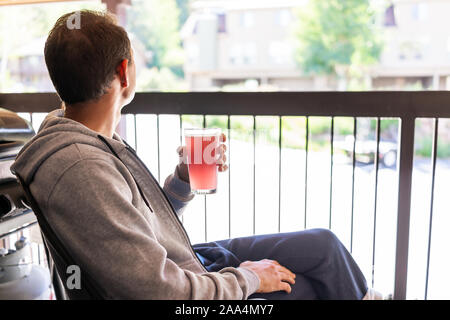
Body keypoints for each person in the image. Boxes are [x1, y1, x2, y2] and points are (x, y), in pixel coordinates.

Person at [11, 10, 381, 300]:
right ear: (124, 73)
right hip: (182, 284)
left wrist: (183, 179)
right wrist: (249, 279)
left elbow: (136, 229)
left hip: (186, 263)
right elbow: (157, 290)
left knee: (322, 244)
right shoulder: (81, 165)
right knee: (317, 285)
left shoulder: (88, 144)